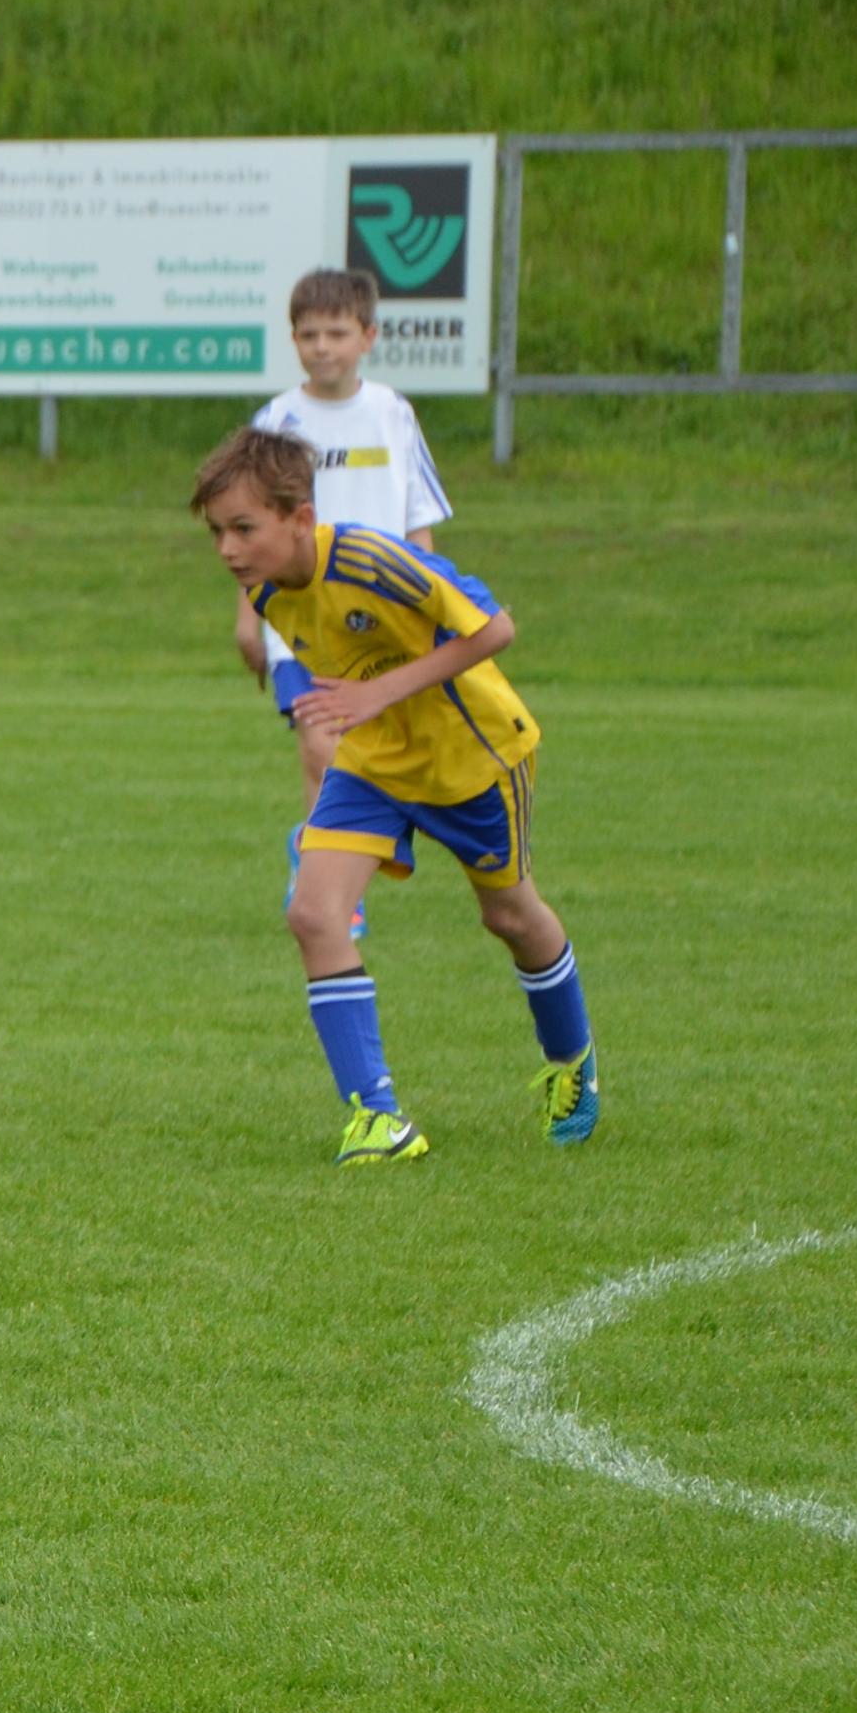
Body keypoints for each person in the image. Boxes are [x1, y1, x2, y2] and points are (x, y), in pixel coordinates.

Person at [193, 427, 595, 1166]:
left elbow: (495, 628)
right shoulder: (267, 591)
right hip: (374, 764)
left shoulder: (372, 560)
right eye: (216, 531)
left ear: (300, 517)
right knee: (313, 914)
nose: (227, 549)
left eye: (243, 528)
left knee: (509, 916)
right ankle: (377, 1119)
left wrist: (378, 692)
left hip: (471, 759)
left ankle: (572, 1062)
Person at [236, 268, 459, 938]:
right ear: (293, 340)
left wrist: (434, 607)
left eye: (336, 333)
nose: (322, 347)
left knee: (375, 758)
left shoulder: (393, 413)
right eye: (309, 335)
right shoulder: (277, 421)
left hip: (381, 621)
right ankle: (332, 892)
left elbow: (418, 519)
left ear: (368, 336)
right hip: (299, 619)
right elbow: (249, 530)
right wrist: (248, 617)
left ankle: (317, 847)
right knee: (320, 745)